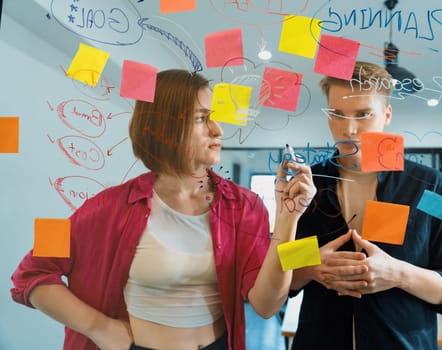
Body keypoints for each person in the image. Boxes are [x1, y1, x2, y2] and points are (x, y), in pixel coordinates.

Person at [11, 69, 316, 350]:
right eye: (201, 118)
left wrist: (288, 218)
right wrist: (99, 327)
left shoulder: (246, 206)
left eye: (214, 117)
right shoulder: (105, 206)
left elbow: (265, 305)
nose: (218, 129)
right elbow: (31, 273)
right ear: (164, 128)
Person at [289, 61, 442, 349]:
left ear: (387, 114)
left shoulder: (428, 188)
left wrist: (398, 274)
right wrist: (312, 266)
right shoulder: (310, 187)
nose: (349, 128)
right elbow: (283, 275)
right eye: (337, 114)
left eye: (363, 114)